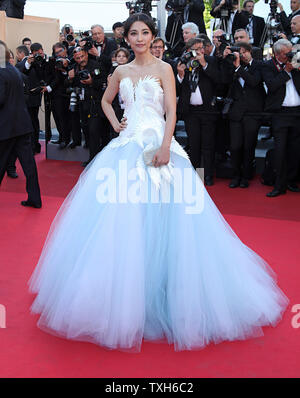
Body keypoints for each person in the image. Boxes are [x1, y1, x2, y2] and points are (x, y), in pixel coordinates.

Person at [28, 14, 288, 352]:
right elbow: (106, 100)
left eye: (144, 33)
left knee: (174, 217)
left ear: (154, 36)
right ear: (127, 39)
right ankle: (128, 292)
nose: (138, 38)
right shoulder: (120, 71)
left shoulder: (164, 68)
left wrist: (166, 146)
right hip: (126, 147)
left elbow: (172, 112)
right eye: (133, 33)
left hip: (160, 146)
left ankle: (170, 285)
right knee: (125, 217)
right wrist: (116, 124)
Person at [0, 40, 42, 208]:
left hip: (6, 126)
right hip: (23, 125)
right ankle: (35, 198)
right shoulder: (14, 71)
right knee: (29, 165)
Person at [262, 39, 300, 197]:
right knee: (280, 151)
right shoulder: (268, 66)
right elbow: (271, 85)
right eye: (287, 53)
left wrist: (295, 67)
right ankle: (279, 184)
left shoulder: (296, 63)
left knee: (295, 151)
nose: (290, 55)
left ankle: (291, 180)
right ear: (277, 54)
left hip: (297, 113)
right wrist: (286, 72)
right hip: (280, 114)